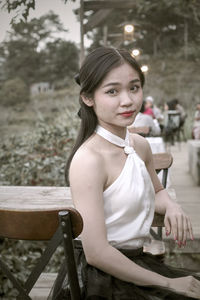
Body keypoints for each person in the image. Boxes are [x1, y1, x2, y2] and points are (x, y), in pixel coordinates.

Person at [50, 47, 200, 299]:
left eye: (134, 87)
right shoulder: (89, 160)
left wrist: (172, 206)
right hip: (103, 278)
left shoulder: (139, 145)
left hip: (138, 262)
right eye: (112, 91)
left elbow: (158, 191)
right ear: (88, 97)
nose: (128, 100)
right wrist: (168, 283)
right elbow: (97, 253)